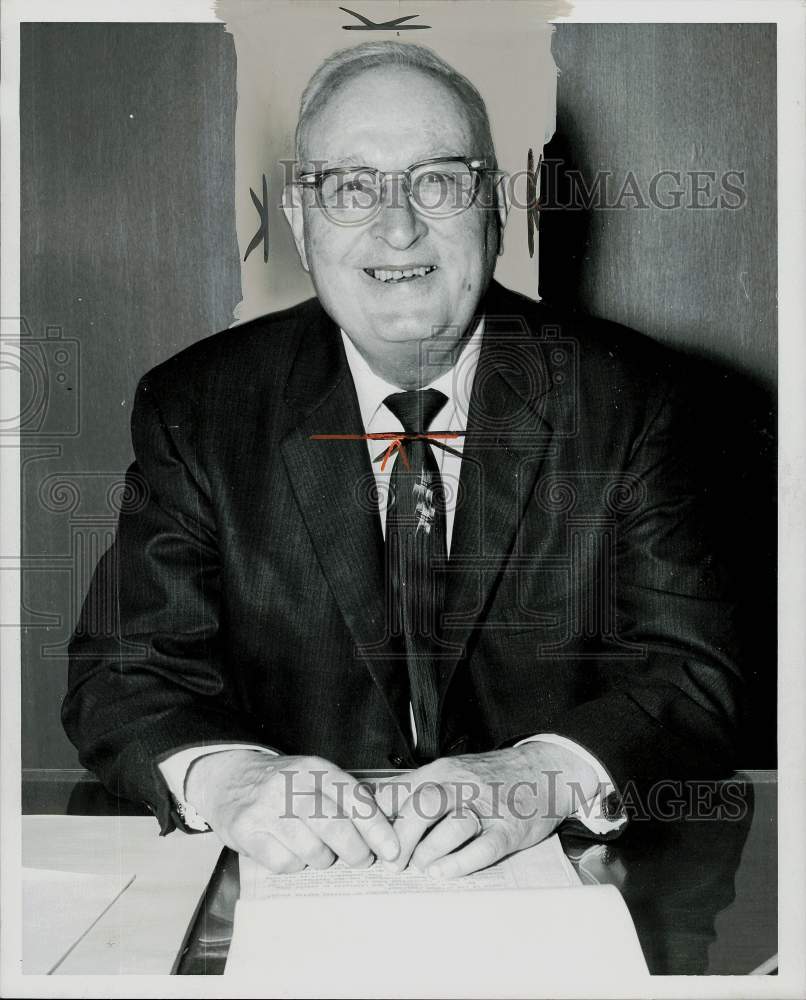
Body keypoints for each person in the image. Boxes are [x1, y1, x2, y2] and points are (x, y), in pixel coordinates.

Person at [63, 41, 742, 879]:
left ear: (493, 207)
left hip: (561, 879)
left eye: (439, 180)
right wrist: (235, 778)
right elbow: (122, 670)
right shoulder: (200, 409)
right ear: (300, 225)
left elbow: (691, 670)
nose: (398, 227)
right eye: (351, 187)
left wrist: (541, 776)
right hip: (298, 888)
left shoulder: (635, 398)